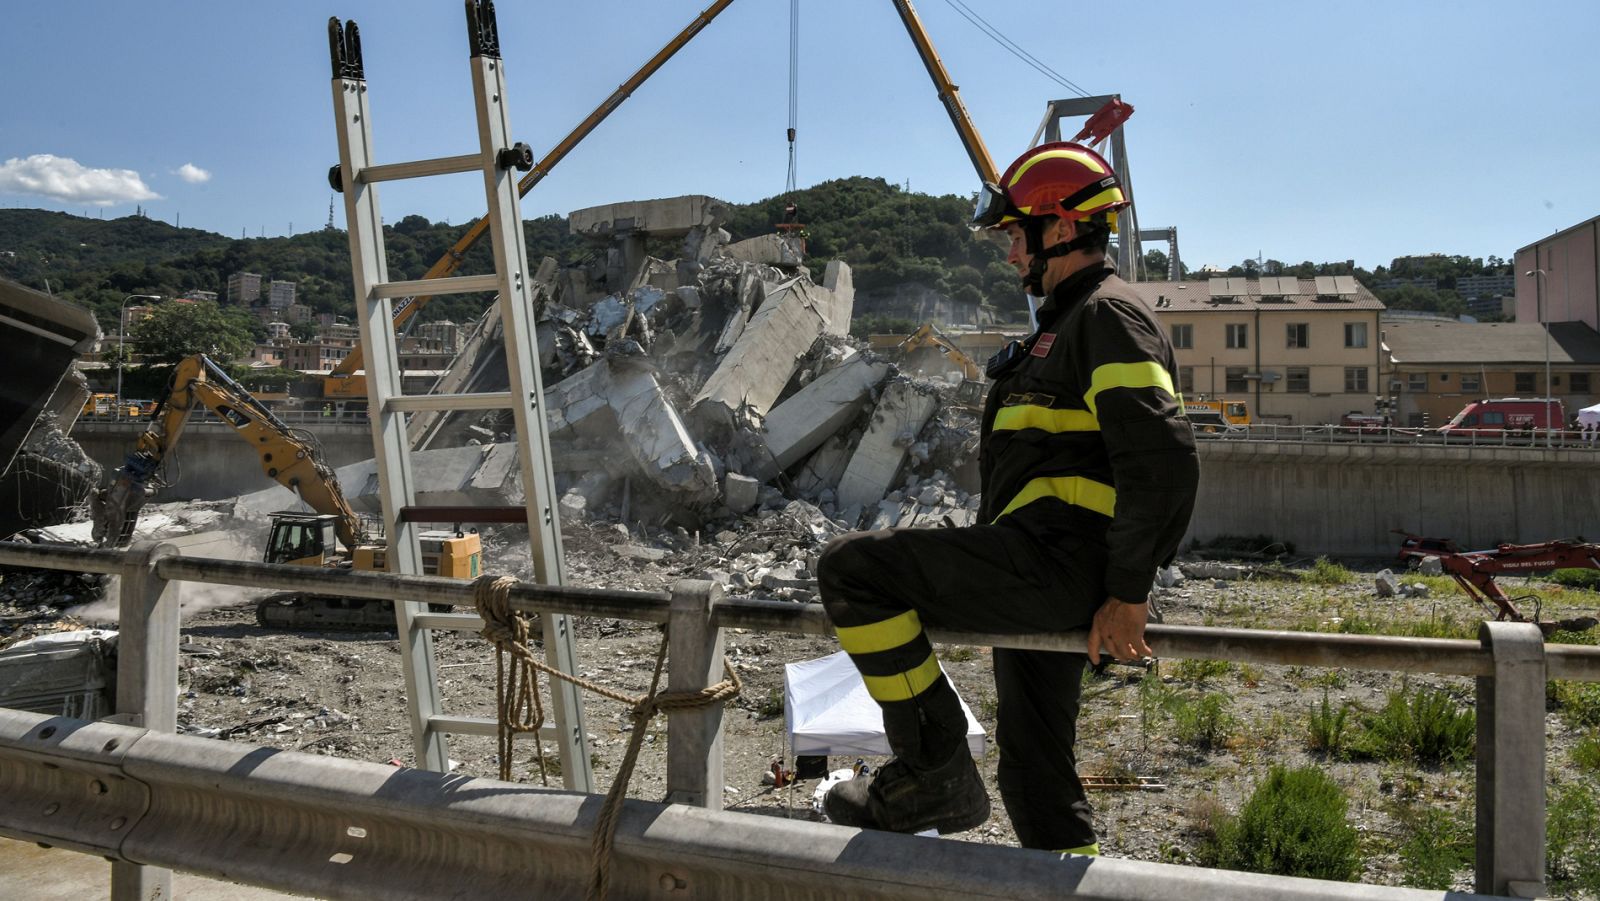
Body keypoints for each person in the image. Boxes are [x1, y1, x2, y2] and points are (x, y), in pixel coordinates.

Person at [817, 142, 1200, 853]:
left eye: (1013, 234)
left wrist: (1127, 591)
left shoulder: (1107, 316)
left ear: (1058, 229)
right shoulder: (1061, 326)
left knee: (852, 570)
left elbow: (1164, 459)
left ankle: (933, 770)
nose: (1006, 252)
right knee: (1033, 772)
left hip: (1059, 564)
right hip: (1044, 565)